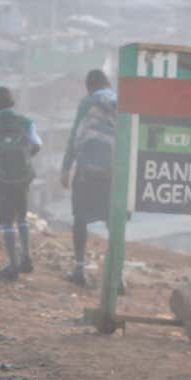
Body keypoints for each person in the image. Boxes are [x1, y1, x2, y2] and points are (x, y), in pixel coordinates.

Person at [61, 69, 118, 287]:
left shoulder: (88, 103)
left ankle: (79, 269)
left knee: (80, 219)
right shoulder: (121, 102)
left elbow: (77, 134)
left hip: (87, 172)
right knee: (114, 223)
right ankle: (116, 276)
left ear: (90, 86)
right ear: (107, 83)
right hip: (113, 173)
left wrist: (66, 167)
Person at [0, 86, 42, 281]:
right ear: (13, 103)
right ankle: (27, 258)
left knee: (6, 221)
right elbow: (37, 144)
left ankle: (13, 264)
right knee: (22, 217)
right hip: (23, 176)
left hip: (3, 179)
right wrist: (25, 158)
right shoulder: (26, 123)